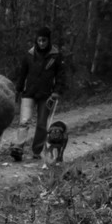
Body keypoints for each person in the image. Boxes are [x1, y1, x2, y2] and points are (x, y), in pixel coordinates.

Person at [11, 25, 66, 164]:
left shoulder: (56, 55)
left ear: (48, 40)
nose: (41, 43)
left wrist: (57, 91)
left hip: (47, 95)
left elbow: (60, 75)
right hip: (29, 92)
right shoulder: (29, 54)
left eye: (44, 41)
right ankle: (18, 147)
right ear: (36, 40)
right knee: (24, 121)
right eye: (39, 40)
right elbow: (22, 73)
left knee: (42, 124)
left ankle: (36, 150)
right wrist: (18, 89)